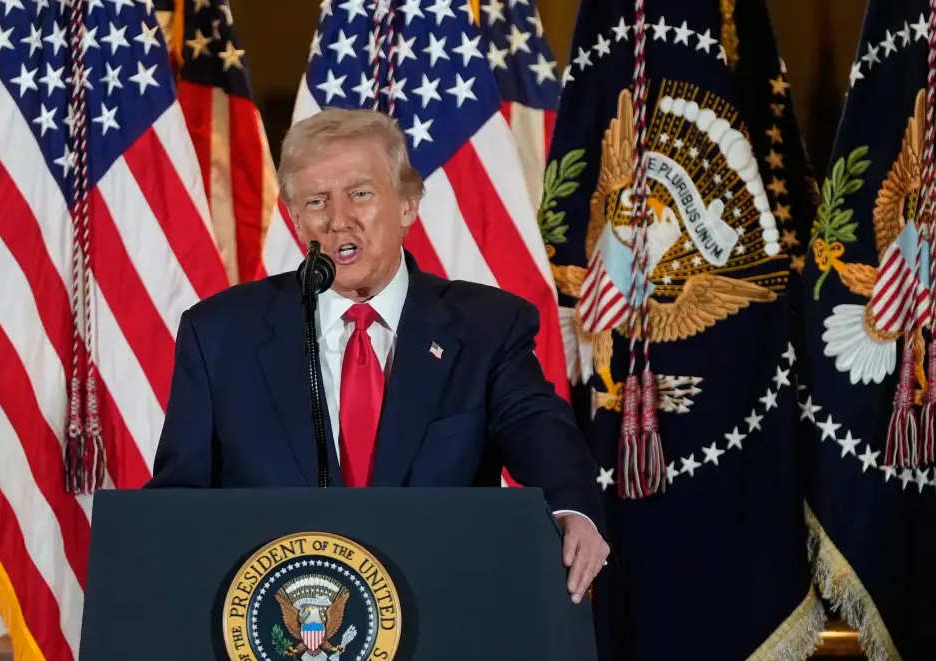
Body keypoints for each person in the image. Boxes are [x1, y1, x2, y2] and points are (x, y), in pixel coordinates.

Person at [146, 107, 609, 602]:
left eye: (360, 193)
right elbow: (180, 506)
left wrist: (572, 510)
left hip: (439, 610)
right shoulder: (220, 334)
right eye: (317, 201)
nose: (339, 219)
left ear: (408, 205)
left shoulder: (486, 327)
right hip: (278, 623)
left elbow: (536, 427)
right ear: (296, 217)